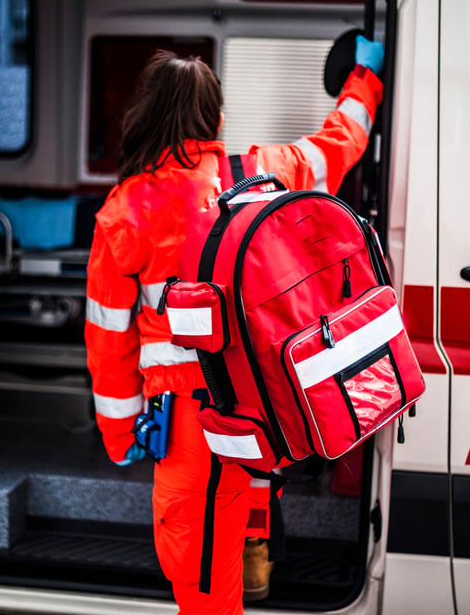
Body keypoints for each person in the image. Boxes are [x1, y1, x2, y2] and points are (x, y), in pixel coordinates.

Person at [85, 36, 384, 614]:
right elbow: (339, 144)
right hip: (264, 410)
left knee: (201, 581)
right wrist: (365, 77)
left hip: (190, 426)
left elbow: (109, 341)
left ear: (147, 115)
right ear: (215, 116)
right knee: (244, 517)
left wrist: (120, 434)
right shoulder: (264, 172)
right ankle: (253, 553)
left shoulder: (126, 210)